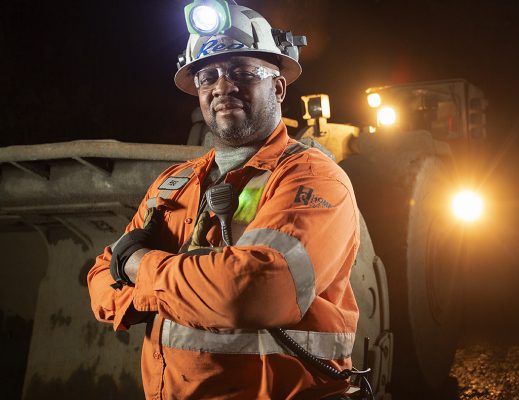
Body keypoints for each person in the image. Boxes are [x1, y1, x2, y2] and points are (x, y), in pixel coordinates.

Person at [86, 4, 360, 399]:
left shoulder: (313, 178)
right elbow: (100, 282)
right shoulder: (174, 184)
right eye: (208, 76)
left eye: (243, 73)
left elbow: (253, 292)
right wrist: (190, 285)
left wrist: (139, 267)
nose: (222, 87)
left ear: (278, 88)